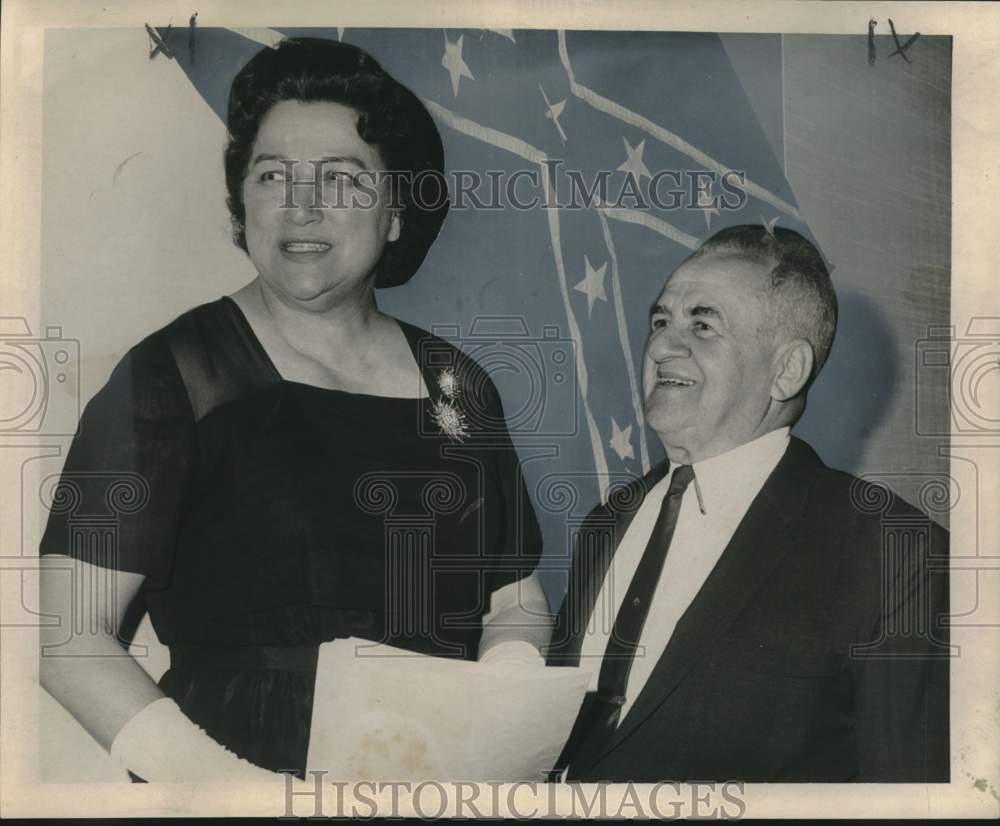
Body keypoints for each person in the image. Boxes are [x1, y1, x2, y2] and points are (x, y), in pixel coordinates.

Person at [38, 37, 549, 784]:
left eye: (342, 179)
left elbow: (513, 599)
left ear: (397, 210)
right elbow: (65, 636)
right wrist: (217, 787)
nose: (302, 205)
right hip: (233, 778)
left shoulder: (459, 385)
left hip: (436, 781)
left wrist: (496, 717)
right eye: (273, 174)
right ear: (243, 204)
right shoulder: (174, 374)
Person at [546, 225, 949, 782]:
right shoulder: (608, 522)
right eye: (660, 321)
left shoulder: (893, 550)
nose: (662, 344)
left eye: (703, 325)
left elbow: (911, 799)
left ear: (786, 370)